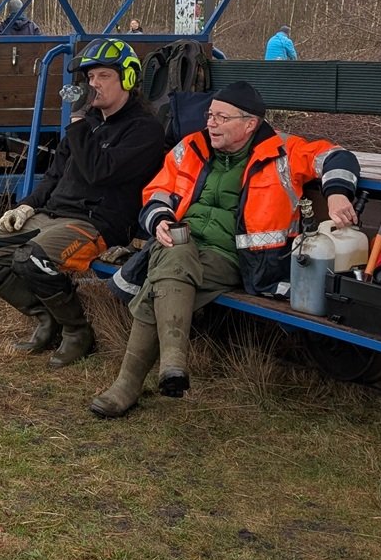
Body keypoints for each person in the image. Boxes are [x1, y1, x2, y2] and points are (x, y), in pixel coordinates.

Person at [89, 80, 360, 417]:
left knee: (164, 277)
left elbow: (338, 156)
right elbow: (158, 190)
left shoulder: (284, 152)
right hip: (176, 241)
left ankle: (131, 383)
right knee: (174, 254)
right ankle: (170, 366)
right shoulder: (192, 146)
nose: (211, 123)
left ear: (250, 124)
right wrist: (159, 219)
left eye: (221, 117)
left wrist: (336, 193)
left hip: (234, 259)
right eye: (209, 115)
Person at [0, 38, 167, 367]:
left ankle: (77, 331)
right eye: (90, 77)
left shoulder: (144, 130)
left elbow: (100, 172)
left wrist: (79, 124)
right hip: (52, 215)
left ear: (128, 79)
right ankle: (46, 318)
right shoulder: (87, 124)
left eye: (104, 76)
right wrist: (27, 206)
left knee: (30, 259)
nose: (94, 84)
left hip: (95, 223)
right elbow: (54, 175)